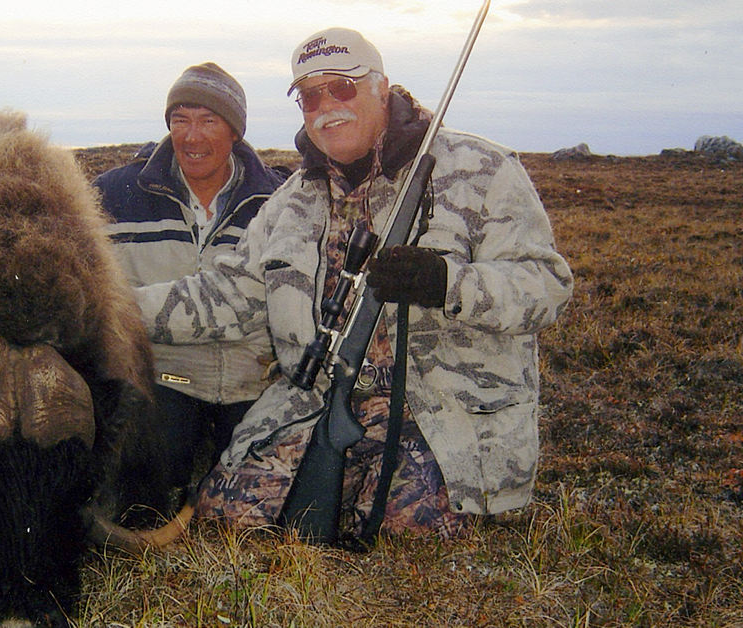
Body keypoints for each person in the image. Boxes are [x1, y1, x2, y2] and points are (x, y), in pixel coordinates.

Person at [132, 28, 574, 541]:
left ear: (382, 88)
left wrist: (446, 283)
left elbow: (547, 286)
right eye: (310, 95)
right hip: (318, 402)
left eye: (341, 87)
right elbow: (227, 295)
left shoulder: (483, 169)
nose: (326, 106)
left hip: (441, 414)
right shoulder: (292, 199)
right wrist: (108, 311)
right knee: (227, 520)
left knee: (405, 536)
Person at [94, 62, 289, 501]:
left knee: (263, 496)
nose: (191, 136)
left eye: (208, 121)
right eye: (179, 120)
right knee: (146, 486)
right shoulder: (111, 196)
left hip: (251, 378)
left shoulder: (280, 201)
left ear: (235, 132)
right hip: (163, 375)